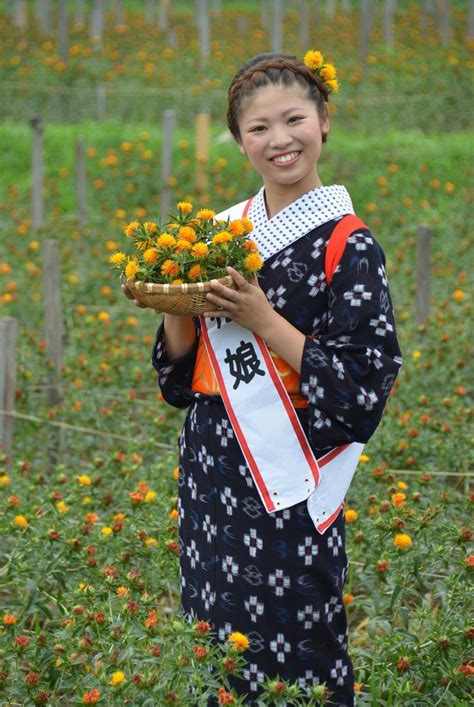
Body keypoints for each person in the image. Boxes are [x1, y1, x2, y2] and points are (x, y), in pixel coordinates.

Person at [123, 51, 402, 705]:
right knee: (216, 644)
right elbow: (178, 382)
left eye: (294, 119)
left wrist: (263, 318)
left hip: (291, 477)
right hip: (212, 473)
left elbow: (364, 384)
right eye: (259, 128)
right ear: (240, 140)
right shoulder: (221, 234)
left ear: (324, 121)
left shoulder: (348, 244)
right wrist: (176, 313)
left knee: (300, 648)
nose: (280, 140)